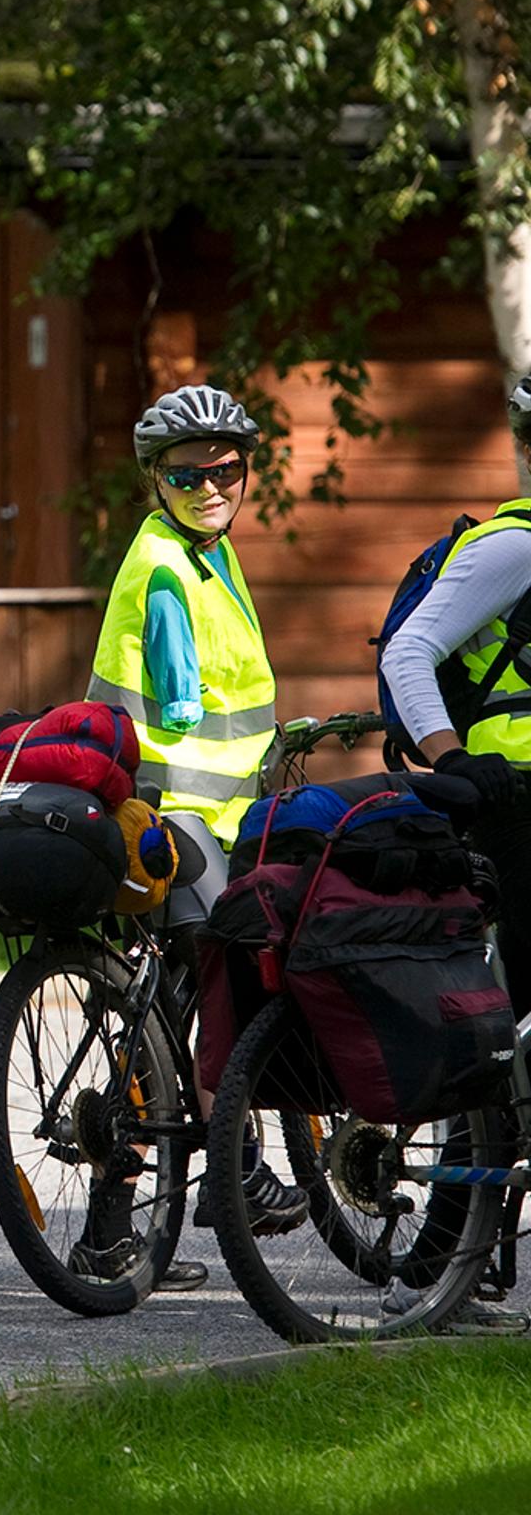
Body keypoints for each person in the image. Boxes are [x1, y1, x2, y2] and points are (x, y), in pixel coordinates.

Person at [81, 382, 307, 1290]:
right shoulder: (169, 567)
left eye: (227, 470)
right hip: (175, 816)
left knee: (165, 1022)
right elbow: (182, 702)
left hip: (207, 812)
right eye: (189, 475)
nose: (212, 486)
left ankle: (107, 1231)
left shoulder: (206, 551)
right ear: (155, 481)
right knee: (226, 975)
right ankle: (233, 1169)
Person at [377, 371, 531, 1333]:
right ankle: (442, 1261)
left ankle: (459, 1263)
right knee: (502, 1039)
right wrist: (453, 760)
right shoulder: (516, 545)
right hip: (511, 808)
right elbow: (409, 650)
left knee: (512, 1038)